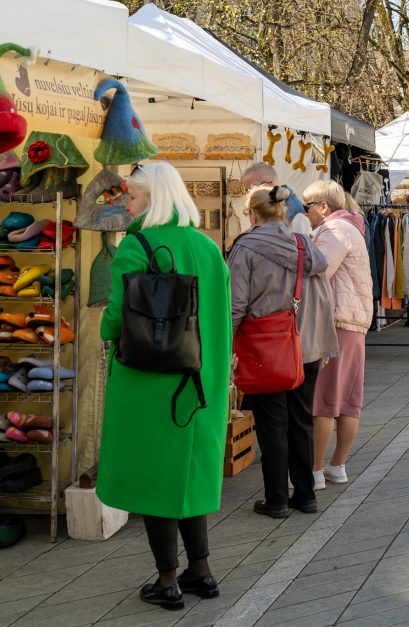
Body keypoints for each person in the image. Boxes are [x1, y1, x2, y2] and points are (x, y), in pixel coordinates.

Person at [96, 162, 231, 611]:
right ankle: (202, 571)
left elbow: (115, 317)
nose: (128, 205)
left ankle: (168, 579)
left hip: (149, 381)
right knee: (189, 473)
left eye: (133, 197)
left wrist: (105, 332)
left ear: (151, 199)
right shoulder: (207, 247)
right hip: (201, 378)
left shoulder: (137, 245)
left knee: (156, 476)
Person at [228, 186, 338, 519]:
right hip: (304, 346)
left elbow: (235, 304)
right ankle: (305, 495)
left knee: (271, 423)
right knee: (301, 419)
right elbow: (322, 288)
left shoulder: (245, 247)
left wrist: (225, 347)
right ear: (282, 211)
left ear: (252, 213)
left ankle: (276, 498)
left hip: (265, 346)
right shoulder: (304, 245)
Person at [303, 181, 373, 490]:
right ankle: (337, 465)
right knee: (347, 400)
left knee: (324, 402)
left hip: (336, 322)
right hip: (354, 322)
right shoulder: (351, 227)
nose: (305, 214)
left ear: (323, 206)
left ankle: (315, 471)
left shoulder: (334, 231)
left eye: (307, 207)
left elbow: (318, 269)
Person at [242, 163, 307, 235]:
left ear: (267, 185)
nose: (248, 195)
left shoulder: (297, 217)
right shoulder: (267, 206)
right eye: (246, 191)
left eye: (250, 189)